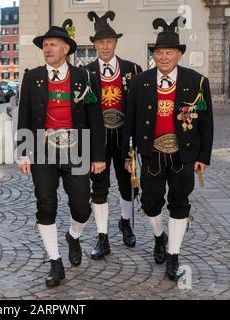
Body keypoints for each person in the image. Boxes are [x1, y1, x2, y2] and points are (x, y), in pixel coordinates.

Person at [123, 17, 213, 281]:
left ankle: (174, 254)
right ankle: (158, 236)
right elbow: (129, 120)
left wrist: (203, 157)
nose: (163, 57)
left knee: (179, 202)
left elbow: (206, 123)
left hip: (184, 153)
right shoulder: (140, 82)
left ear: (179, 54)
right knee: (151, 204)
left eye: (169, 53)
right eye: (159, 53)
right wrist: (129, 155)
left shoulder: (196, 82)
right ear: (154, 55)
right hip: (151, 154)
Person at [17, 21, 106, 287]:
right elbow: (24, 115)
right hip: (43, 149)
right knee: (46, 205)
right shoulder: (32, 77)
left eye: (53, 44)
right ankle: (55, 262)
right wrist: (24, 152)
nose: (47, 49)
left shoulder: (84, 77)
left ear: (66, 48)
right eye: (44, 45)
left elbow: (95, 118)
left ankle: (73, 235)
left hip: (76, 148)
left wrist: (98, 156)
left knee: (81, 206)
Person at [85, 11, 143, 259]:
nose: (105, 46)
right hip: (98, 140)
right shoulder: (86, 73)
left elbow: (141, 108)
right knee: (99, 187)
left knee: (127, 185)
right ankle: (102, 236)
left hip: (124, 137)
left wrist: (137, 143)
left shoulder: (133, 70)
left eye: (109, 42)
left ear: (115, 43)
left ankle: (125, 223)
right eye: (100, 42)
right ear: (95, 45)